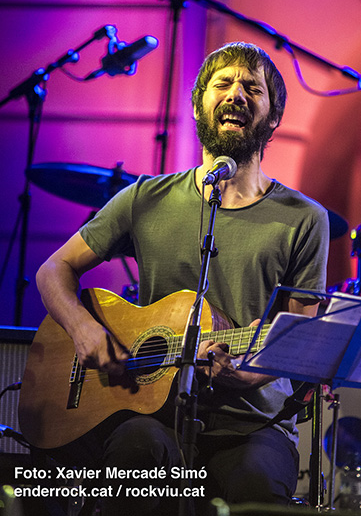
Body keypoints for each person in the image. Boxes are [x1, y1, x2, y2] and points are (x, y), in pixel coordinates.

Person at [36, 41, 329, 515]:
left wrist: (246, 375)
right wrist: (83, 328)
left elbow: (302, 338)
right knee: (133, 455)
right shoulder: (145, 198)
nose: (236, 94)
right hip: (151, 411)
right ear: (198, 105)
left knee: (256, 485)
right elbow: (54, 269)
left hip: (253, 424)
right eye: (223, 83)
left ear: (274, 117)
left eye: (252, 88)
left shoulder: (305, 218)